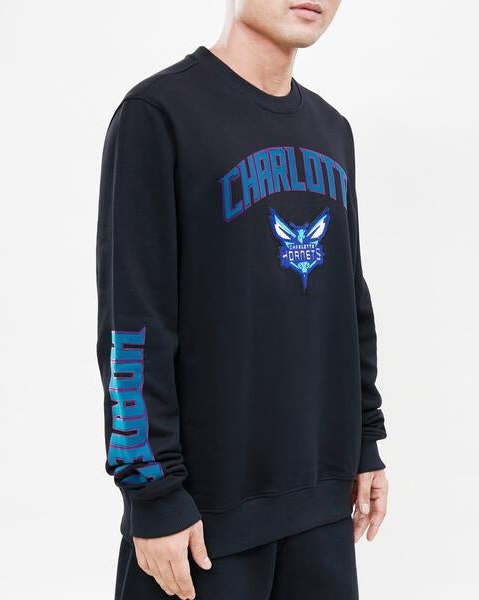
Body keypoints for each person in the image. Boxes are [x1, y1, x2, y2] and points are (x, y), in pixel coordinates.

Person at [96, 1, 389, 598]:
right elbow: (133, 322)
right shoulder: (158, 115)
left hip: (322, 505)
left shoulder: (332, 130)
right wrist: (152, 494)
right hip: (202, 521)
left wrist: (366, 441)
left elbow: (348, 302)